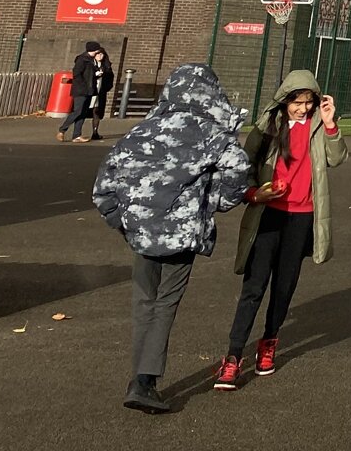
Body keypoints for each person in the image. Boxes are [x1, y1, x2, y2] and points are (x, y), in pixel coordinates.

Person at [92, 63, 252, 414]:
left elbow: (104, 186)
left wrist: (124, 221)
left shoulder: (141, 130)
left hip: (142, 232)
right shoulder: (212, 133)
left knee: (143, 302)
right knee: (165, 303)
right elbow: (239, 168)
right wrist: (214, 203)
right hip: (182, 232)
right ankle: (145, 381)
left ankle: (139, 377)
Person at [215, 69, 346, 389]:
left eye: (308, 102)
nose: (302, 108)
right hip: (268, 216)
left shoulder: (318, 126)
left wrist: (330, 123)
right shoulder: (267, 127)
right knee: (254, 286)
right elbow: (244, 168)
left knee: (284, 286)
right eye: (296, 102)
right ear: (284, 99)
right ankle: (233, 356)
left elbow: (337, 158)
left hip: (302, 218)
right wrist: (253, 193)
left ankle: (268, 343)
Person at [59, 41, 116, 143]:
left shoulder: (91, 60)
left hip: (89, 90)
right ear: (93, 50)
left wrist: (95, 76)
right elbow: (77, 74)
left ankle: (77, 135)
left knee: (83, 113)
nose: (99, 52)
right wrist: (85, 85)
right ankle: (62, 129)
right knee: (78, 111)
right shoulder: (82, 60)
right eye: (97, 50)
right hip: (81, 90)